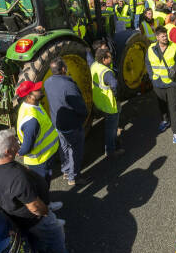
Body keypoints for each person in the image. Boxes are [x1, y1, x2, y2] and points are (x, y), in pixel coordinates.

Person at [0, 130, 84, 253]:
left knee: (38, 240)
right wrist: (46, 213)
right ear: (8, 151)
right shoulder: (16, 178)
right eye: (15, 142)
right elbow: (35, 207)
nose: (18, 143)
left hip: (19, 218)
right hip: (34, 218)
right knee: (56, 235)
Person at [44, 58, 90, 186]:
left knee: (63, 147)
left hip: (57, 123)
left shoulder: (47, 82)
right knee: (75, 150)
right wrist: (83, 118)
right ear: (63, 69)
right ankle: (73, 177)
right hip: (72, 125)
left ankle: (65, 170)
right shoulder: (69, 86)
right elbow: (81, 108)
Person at [146, 26, 176, 144]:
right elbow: (148, 63)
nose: (165, 38)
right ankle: (165, 121)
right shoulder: (150, 49)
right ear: (157, 37)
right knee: (162, 106)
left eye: (166, 35)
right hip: (157, 82)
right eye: (162, 36)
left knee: (173, 108)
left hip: (172, 83)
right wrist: (151, 77)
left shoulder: (174, 47)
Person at [15, 80, 60, 184]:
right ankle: (45, 201)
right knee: (42, 186)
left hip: (46, 156)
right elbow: (26, 146)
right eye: (37, 90)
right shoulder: (31, 120)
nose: (40, 90)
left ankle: (47, 201)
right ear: (29, 96)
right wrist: (20, 152)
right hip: (40, 160)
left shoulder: (33, 104)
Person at [91, 47, 124, 158]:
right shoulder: (106, 72)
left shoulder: (94, 65)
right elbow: (114, 85)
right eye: (109, 56)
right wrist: (116, 95)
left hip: (99, 102)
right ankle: (110, 151)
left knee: (109, 126)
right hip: (110, 105)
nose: (112, 58)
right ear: (104, 59)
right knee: (111, 129)